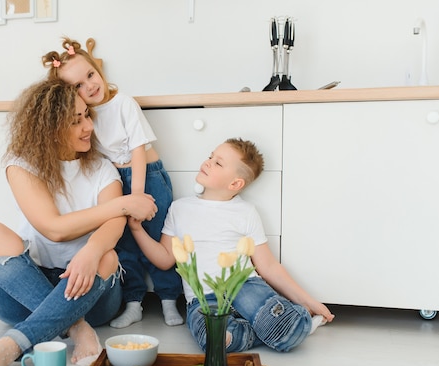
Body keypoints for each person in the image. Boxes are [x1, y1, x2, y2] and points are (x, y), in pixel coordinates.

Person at [0, 79, 158, 366]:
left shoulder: (102, 168)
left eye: (87, 115)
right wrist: (124, 203)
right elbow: (53, 228)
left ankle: (9, 346)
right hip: (25, 295)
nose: (88, 126)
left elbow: (113, 227)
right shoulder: (22, 165)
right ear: (49, 127)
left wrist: (90, 252)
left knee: (107, 255)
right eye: (76, 121)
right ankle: (74, 325)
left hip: (90, 293)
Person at [128, 138, 335, 353]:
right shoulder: (180, 209)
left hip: (244, 286)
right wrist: (136, 230)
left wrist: (310, 302)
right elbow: (165, 259)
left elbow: (269, 267)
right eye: (210, 156)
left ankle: (284, 323)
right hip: (204, 299)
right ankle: (264, 329)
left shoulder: (245, 212)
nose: (208, 162)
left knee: (287, 328)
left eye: (218, 163)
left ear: (235, 184)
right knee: (214, 340)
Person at [41, 38, 184, 329]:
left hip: (146, 177)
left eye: (91, 75)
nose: (90, 87)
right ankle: (134, 302)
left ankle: (169, 298)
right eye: (79, 86)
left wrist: (139, 196)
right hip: (117, 182)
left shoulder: (123, 104)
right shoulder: (86, 117)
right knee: (125, 246)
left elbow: (138, 152)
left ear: (98, 70)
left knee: (156, 240)